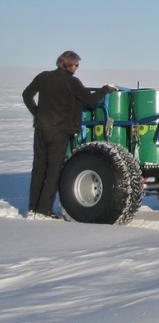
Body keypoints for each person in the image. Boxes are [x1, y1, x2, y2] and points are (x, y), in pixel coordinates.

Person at [22, 51, 117, 218]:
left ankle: (32, 208)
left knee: (38, 168)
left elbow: (26, 95)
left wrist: (37, 114)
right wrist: (105, 89)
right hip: (60, 131)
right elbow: (91, 100)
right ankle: (44, 211)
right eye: (76, 65)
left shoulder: (44, 77)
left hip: (42, 129)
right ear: (69, 65)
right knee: (53, 171)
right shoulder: (72, 82)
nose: (77, 68)